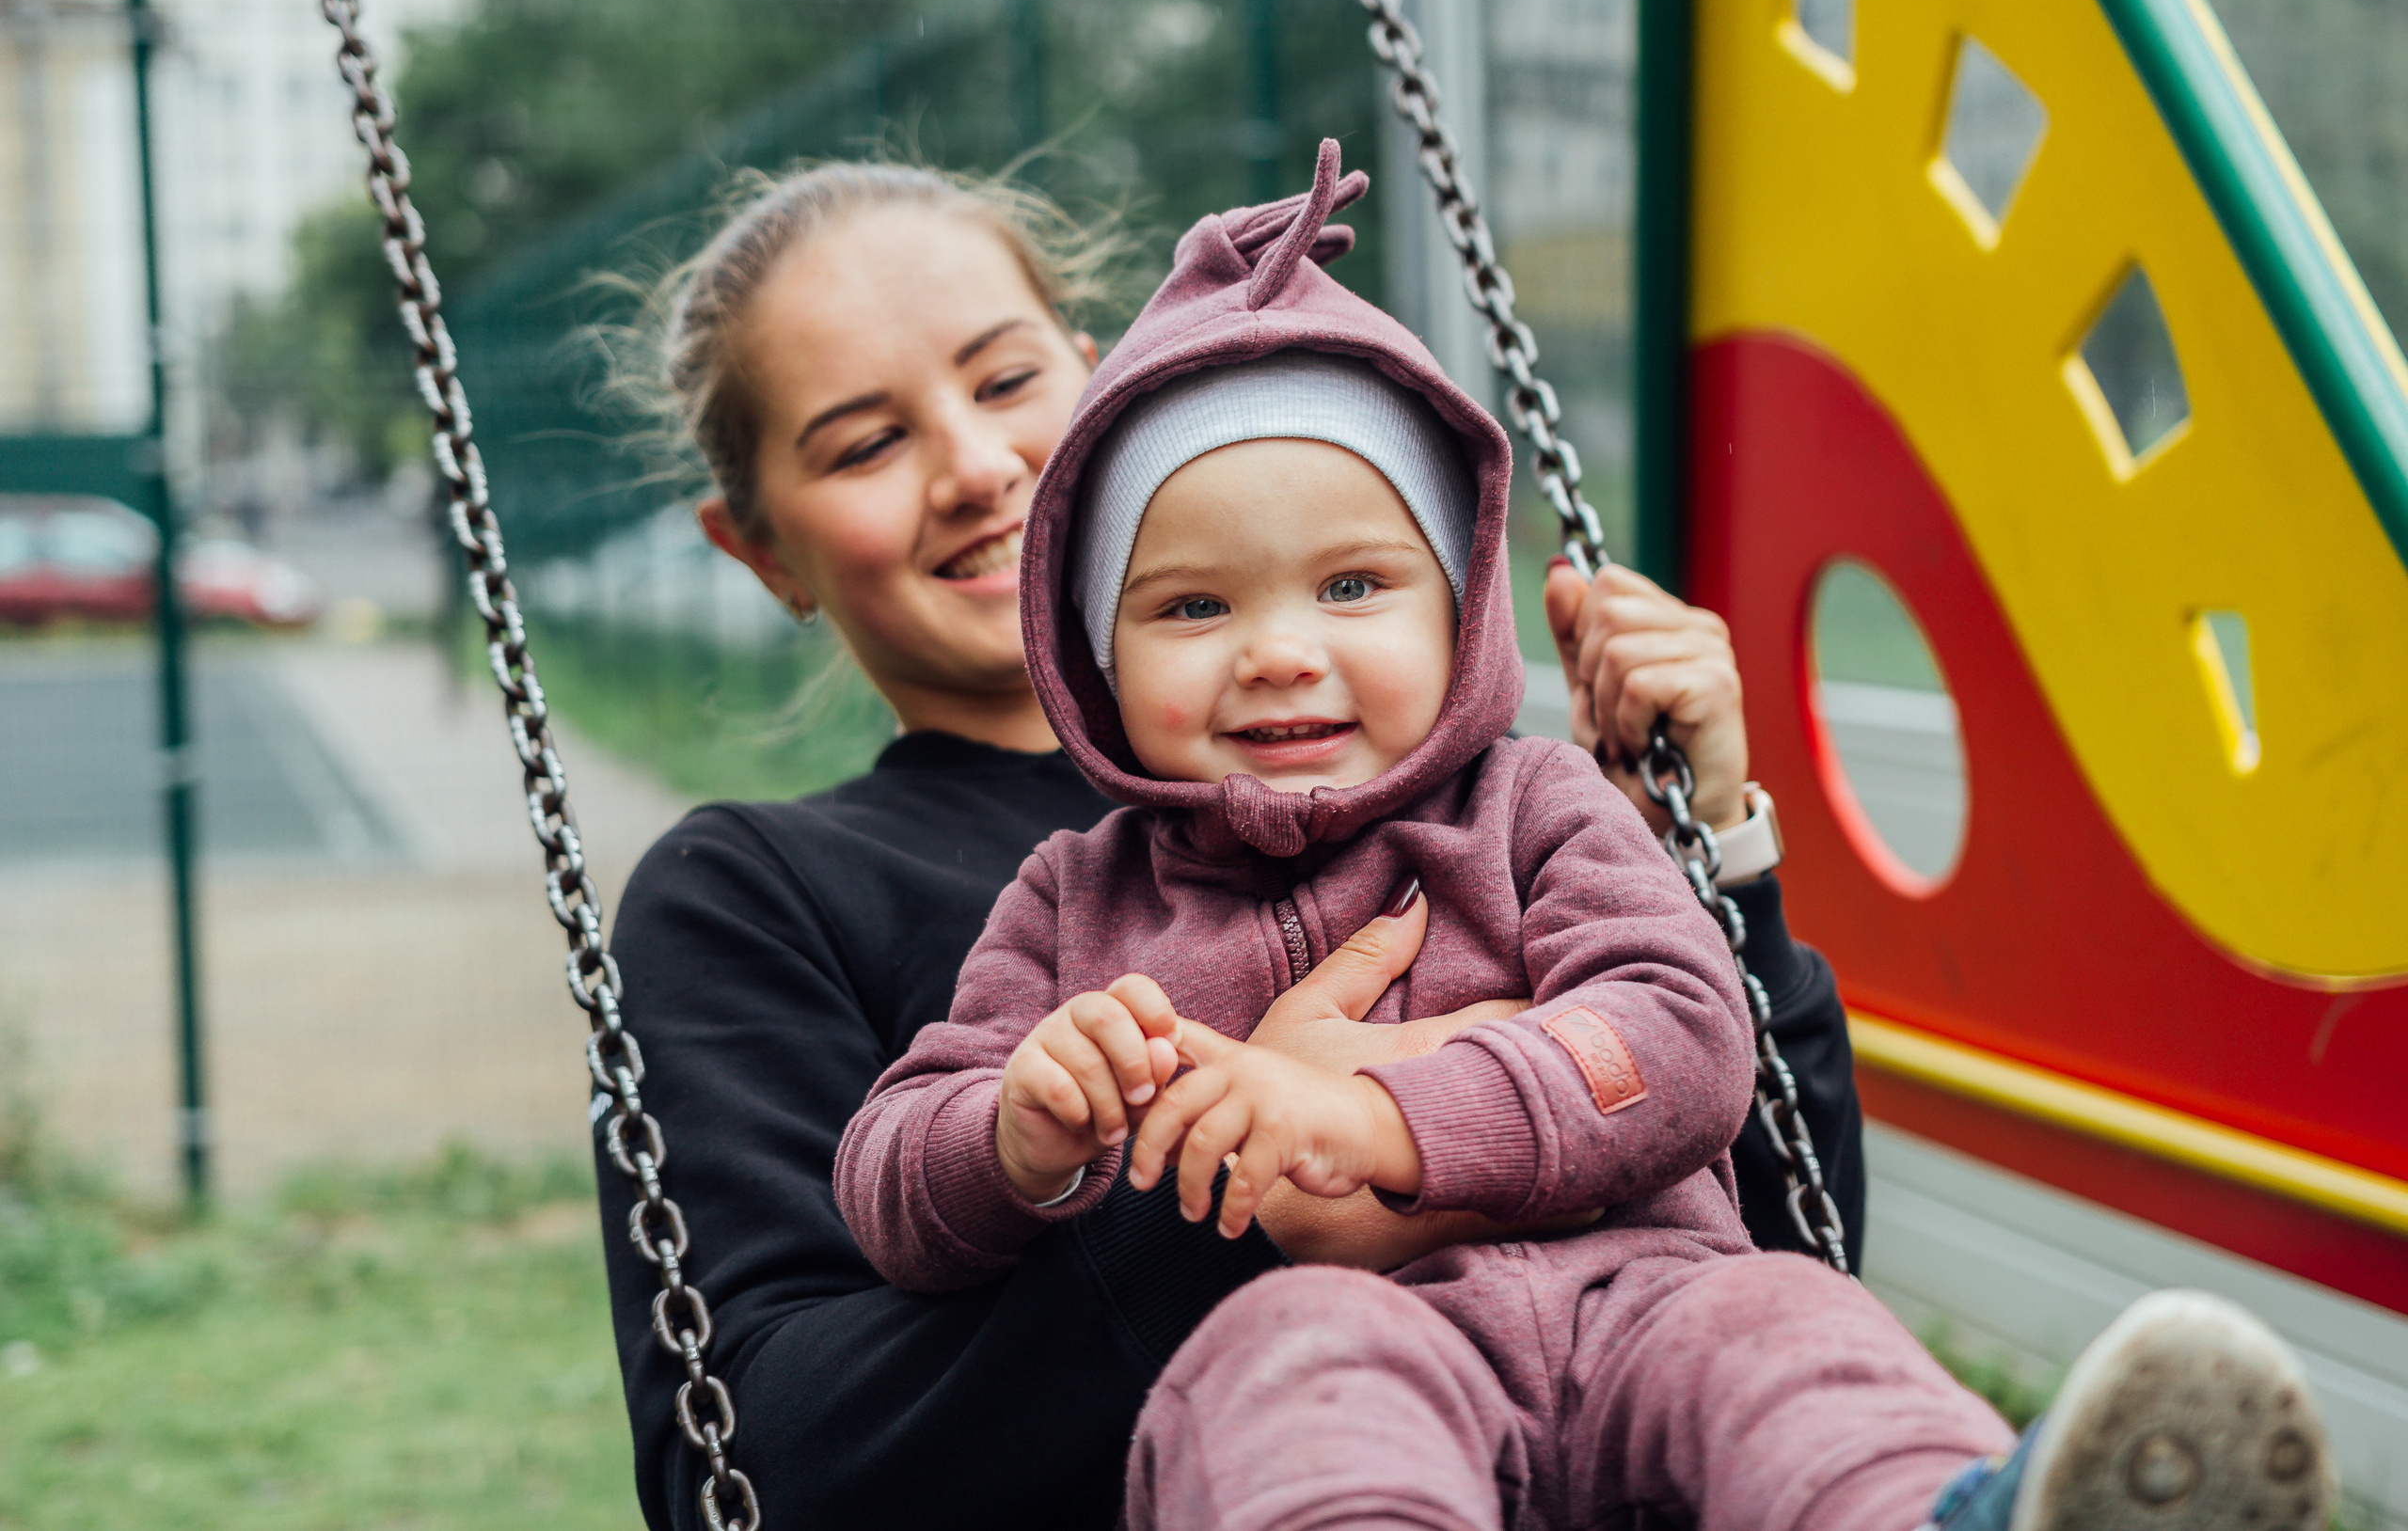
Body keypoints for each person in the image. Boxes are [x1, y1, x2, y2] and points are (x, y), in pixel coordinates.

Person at [836, 141, 2336, 1531]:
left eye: (1353, 587)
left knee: (1790, 1340)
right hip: (1365, 1334)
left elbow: (1683, 1035)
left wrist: (1386, 1120)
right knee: (1282, 1374)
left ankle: (1945, 1516)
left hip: (1647, 1289)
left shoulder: (1538, 805)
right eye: (1192, 606)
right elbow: (894, 1174)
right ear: (1099, 656)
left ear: (1461, 608)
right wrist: (1017, 1134)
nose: (1279, 651)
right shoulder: (1073, 898)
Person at [596, 154, 1861, 1531]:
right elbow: (762, 1468)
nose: (973, 464)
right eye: (864, 444)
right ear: (760, 548)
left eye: (1008, 380)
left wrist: (1713, 855)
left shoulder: (1475, 788)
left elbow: (1800, 1250)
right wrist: (1262, 1158)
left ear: (1102, 383)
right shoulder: (762, 899)